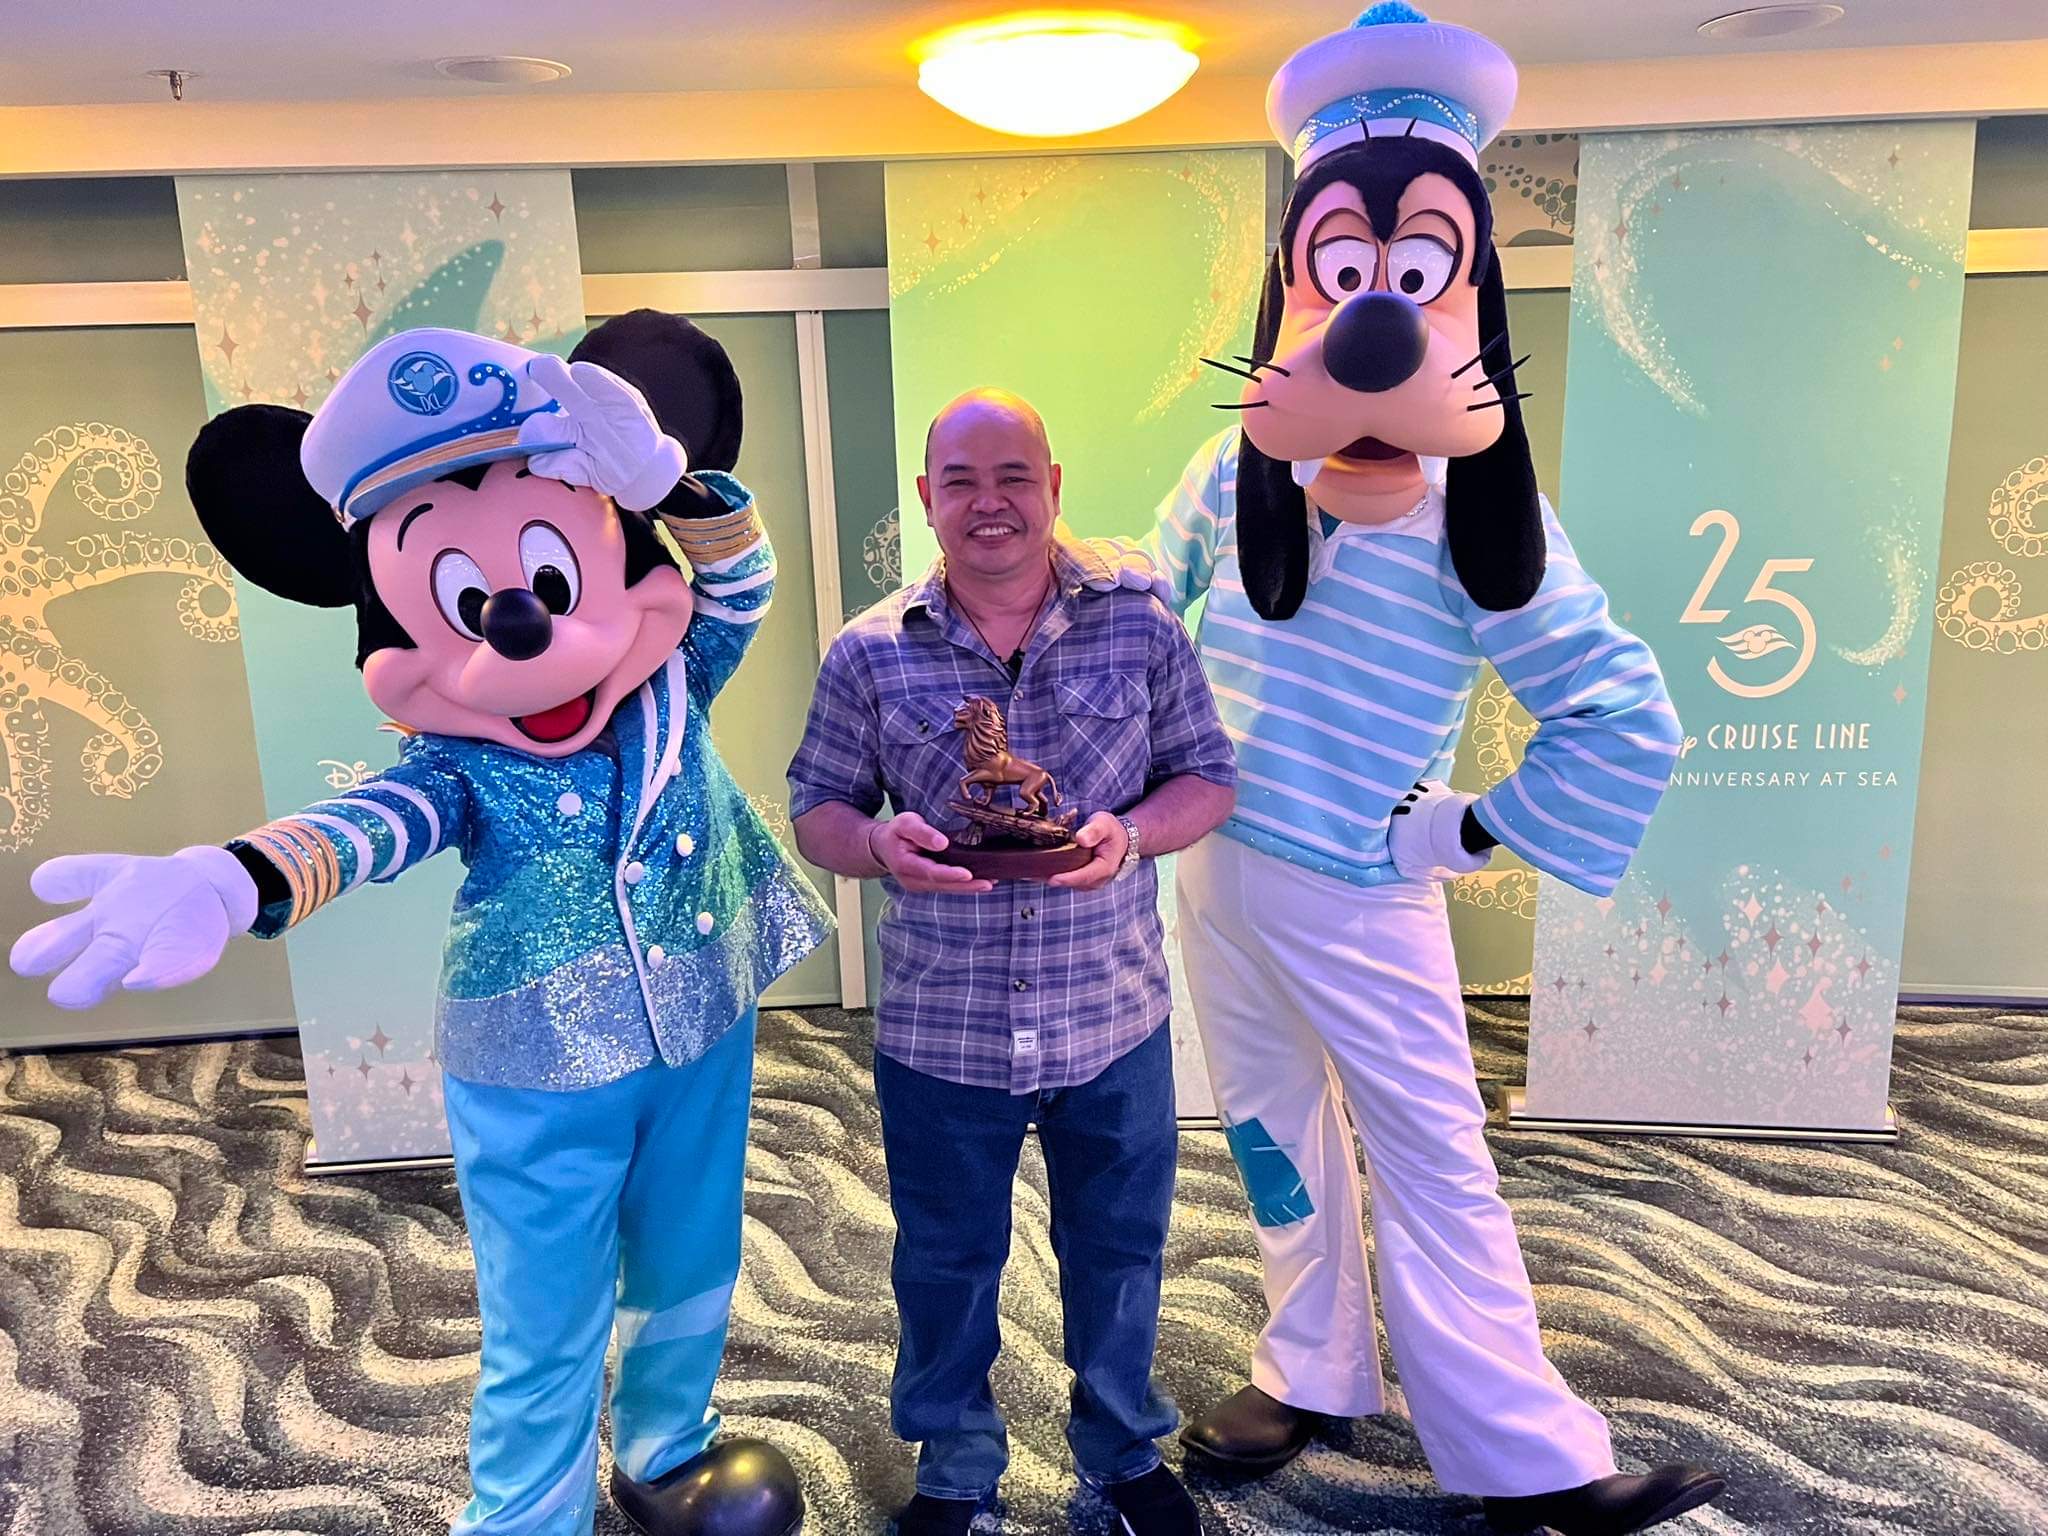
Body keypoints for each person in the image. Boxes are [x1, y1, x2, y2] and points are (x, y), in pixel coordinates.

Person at [11, 314, 830, 1536]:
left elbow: (740, 581)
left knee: (690, 1259)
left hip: (704, 1019)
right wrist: (237, 877)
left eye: (551, 578)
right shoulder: (454, 761)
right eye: (467, 600)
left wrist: (669, 483)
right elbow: (368, 824)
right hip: (541, 1066)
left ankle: (667, 1449)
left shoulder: (674, 681)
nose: (522, 625)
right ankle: (521, 1518)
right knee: (545, 1314)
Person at [1135, 8, 1726, 1535]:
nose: (1375, 314)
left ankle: (1526, 1456)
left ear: (1462, 292)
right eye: (1343, 274)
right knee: (1267, 1127)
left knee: (1434, 1162)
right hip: (1216, 865)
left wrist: (1454, 835)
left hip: (1358, 885)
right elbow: (1145, 614)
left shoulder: (1482, 510)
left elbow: (1622, 715)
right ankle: (1310, 1359)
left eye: (1412, 275)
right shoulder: (1232, 470)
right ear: (1296, 288)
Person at [787, 389, 1236, 1536]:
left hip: (1110, 1014)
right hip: (943, 1027)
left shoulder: (1140, 625)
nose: (989, 503)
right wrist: (879, 845)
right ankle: (954, 1473)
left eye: (1013, 477)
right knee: (944, 1259)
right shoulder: (869, 653)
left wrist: (1127, 835)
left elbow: (1205, 779)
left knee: (1121, 1252)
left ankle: (1123, 1457)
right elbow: (818, 811)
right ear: (929, 497)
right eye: (961, 481)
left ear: (1051, 486)